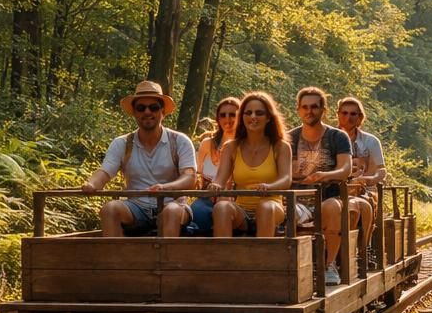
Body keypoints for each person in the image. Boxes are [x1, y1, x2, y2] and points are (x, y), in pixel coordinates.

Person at [81, 80, 196, 237]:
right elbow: (105, 172)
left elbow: (190, 177)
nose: (147, 112)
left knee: (171, 212)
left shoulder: (179, 141)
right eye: (141, 108)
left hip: (172, 203)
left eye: (154, 107)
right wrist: (91, 184)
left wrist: (166, 187)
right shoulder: (122, 143)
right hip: (135, 207)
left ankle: (168, 260)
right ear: (134, 112)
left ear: (162, 111)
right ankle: (114, 259)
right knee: (110, 209)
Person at [289, 86, 351, 286]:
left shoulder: (338, 137)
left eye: (314, 107)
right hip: (296, 199)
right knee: (283, 211)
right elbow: (283, 169)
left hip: (328, 196)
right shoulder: (289, 138)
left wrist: (324, 175)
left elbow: (345, 169)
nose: (309, 111)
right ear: (298, 109)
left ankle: (329, 264)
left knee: (332, 208)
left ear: (323, 109)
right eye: (305, 107)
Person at [209, 92, 293, 237]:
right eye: (248, 112)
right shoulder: (231, 147)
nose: (253, 117)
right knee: (222, 207)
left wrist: (269, 187)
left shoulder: (280, 147)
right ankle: (223, 257)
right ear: (242, 117)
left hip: (272, 205)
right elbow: (220, 179)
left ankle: (262, 258)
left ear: (268, 118)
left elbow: (286, 179)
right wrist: (215, 185)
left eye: (259, 113)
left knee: (265, 207)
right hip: (242, 209)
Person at [337, 95, 386, 258]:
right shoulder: (330, 138)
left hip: (366, 189)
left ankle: (364, 249)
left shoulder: (371, 141)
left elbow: (382, 170)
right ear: (338, 115)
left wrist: (370, 179)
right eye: (344, 113)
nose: (348, 117)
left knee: (364, 205)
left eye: (353, 114)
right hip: (336, 189)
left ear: (360, 118)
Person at [187, 96, 240, 235]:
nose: (227, 119)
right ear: (218, 118)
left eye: (232, 115)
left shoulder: (244, 146)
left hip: (235, 201)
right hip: (206, 199)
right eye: (223, 115)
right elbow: (197, 174)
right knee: (196, 213)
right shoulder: (207, 144)